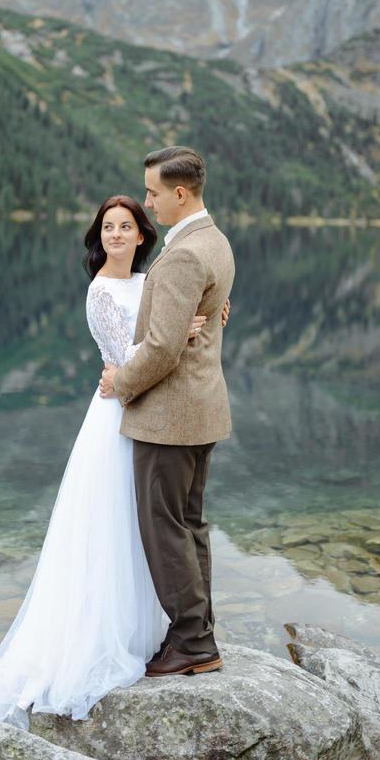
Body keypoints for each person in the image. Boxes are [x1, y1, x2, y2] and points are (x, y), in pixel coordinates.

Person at [0, 192, 230, 748]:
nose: (115, 234)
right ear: (98, 237)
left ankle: (163, 629)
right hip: (118, 413)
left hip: (151, 409)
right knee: (118, 523)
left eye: (125, 225)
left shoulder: (154, 276)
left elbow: (181, 320)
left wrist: (197, 322)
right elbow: (125, 357)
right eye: (107, 227)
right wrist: (178, 334)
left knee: (154, 527)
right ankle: (121, 633)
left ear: (141, 235)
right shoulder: (102, 291)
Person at [99, 146, 235, 677]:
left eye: (153, 193)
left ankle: (192, 642)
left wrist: (120, 383)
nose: (148, 203)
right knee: (190, 524)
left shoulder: (182, 253)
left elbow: (161, 348)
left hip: (170, 417)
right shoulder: (215, 241)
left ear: (181, 193)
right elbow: (206, 318)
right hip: (203, 409)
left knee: (164, 528)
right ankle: (200, 633)